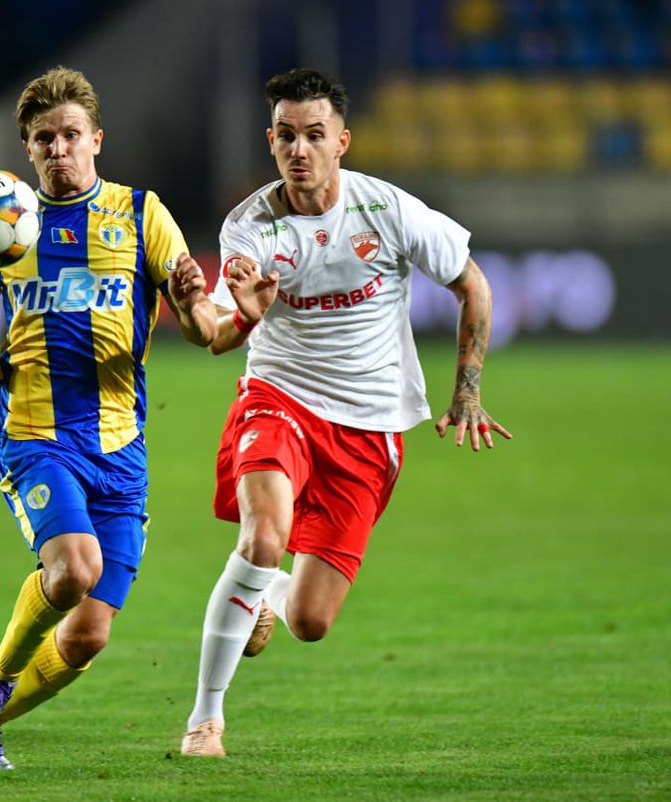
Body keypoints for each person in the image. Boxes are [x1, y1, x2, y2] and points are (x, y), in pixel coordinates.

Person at [180, 68, 512, 758]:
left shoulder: (387, 209)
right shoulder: (250, 227)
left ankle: (266, 592)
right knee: (264, 536)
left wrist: (467, 392)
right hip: (278, 398)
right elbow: (217, 336)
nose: (299, 149)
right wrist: (244, 317)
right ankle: (205, 720)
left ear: (342, 142)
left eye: (314, 135)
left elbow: (473, 286)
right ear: (271, 141)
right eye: (286, 136)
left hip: (368, 424)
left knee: (310, 621)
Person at [0, 66, 217, 771]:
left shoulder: (141, 214)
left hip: (120, 448)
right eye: (43, 139)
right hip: (35, 436)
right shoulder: (8, 225)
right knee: (72, 570)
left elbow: (203, 330)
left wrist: (191, 300)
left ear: (96, 139)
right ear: (27, 149)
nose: (58, 150)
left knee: (89, 635)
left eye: (69, 135)